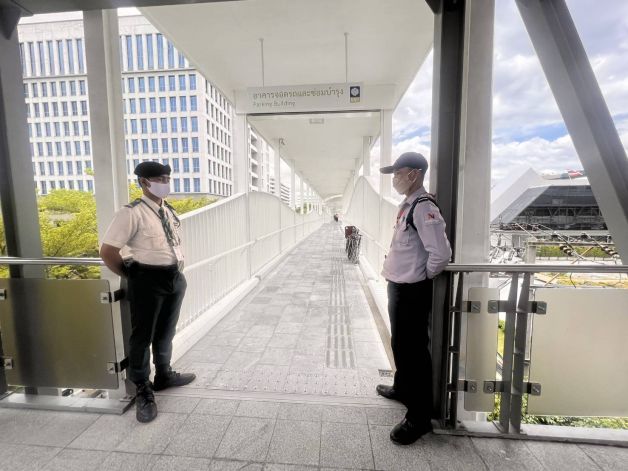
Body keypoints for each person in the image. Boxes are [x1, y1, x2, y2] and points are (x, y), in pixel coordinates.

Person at [100, 161, 196, 423]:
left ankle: (163, 374)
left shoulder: (168, 211)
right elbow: (107, 251)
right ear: (144, 182)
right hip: (147, 279)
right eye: (159, 179)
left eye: (167, 179)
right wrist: (132, 275)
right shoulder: (131, 213)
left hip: (174, 278)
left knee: (166, 330)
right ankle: (143, 387)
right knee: (142, 336)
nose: (165, 184)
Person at [377, 152, 451, 445]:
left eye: (398, 173)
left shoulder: (423, 207)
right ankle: (403, 388)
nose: (395, 179)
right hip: (399, 286)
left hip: (411, 290)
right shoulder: (407, 205)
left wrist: (422, 277)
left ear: (414, 174)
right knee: (400, 344)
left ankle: (419, 419)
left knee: (415, 352)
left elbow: (441, 254)